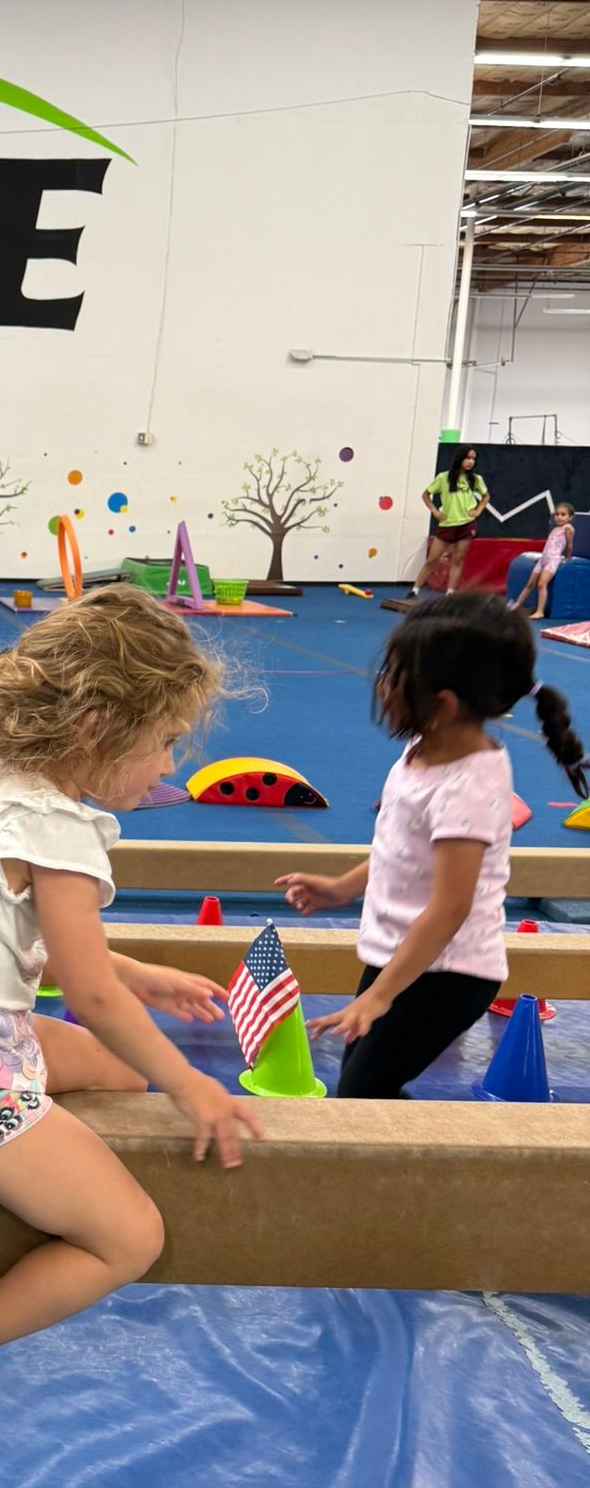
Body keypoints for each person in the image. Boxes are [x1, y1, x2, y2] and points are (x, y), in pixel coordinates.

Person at [0, 584, 262, 1402]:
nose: (171, 766)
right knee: (130, 1238)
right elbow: (90, 994)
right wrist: (193, 1086)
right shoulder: (55, 826)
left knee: (118, 1074)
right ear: (97, 727)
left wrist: (139, 974)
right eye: (166, 741)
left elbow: (30, 936)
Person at [276, 595, 587, 1100]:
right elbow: (401, 847)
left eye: (393, 676)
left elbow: (450, 909)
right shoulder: (425, 748)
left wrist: (380, 996)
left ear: (442, 705)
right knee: (363, 1088)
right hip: (405, 955)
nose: (381, 684)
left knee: (361, 1092)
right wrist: (342, 888)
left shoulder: (467, 786)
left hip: (450, 974)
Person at [409, 445, 488, 599]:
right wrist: (434, 511)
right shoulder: (443, 477)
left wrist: (478, 511)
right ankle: (415, 590)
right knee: (432, 560)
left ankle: (450, 594)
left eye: (473, 459)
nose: (471, 462)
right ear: (460, 458)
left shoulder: (476, 479)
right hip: (447, 524)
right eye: (467, 458)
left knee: (458, 559)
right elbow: (426, 495)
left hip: (466, 524)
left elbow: (486, 496)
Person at [510, 500, 575, 621]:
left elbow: (569, 545)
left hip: (553, 560)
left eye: (563, 514)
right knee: (530, 584)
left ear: (570, 517)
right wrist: (541, 557)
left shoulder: (568, 528)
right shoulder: (555, 529)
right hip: (543, 559)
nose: (559, 517)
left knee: (541, 584)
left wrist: (567, 558)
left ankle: (540, 612)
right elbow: (549, 546)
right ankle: (517, 605)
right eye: (557, 514)